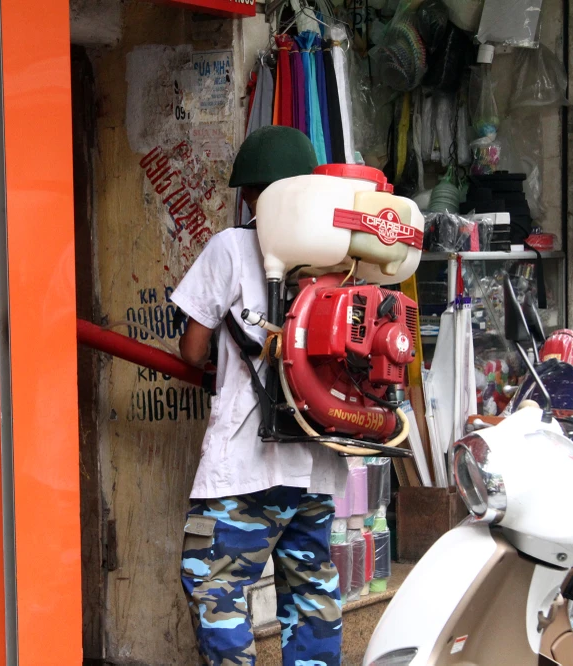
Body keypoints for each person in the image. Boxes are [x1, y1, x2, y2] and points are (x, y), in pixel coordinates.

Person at [171, 125, 346, 666]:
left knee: (213, 581)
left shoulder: (232, 246)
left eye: (248, 192)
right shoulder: (339, 258)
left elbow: (192, 351)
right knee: (311, 597)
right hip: (318, 463)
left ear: (254, 194)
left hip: (250, 462)